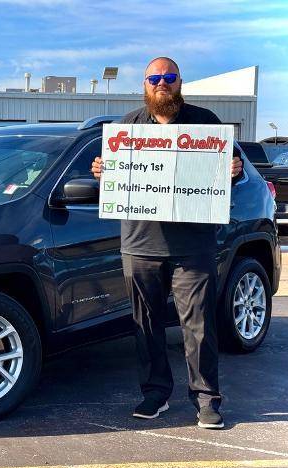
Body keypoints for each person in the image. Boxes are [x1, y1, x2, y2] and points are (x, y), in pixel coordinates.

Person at [91, 57, 243, 429]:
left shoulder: (206, 122)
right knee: (145, 324)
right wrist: (101, 173)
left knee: (200, 326)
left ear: (179, 82)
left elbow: (228, 172)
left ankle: (206, 399)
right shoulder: (127, 127)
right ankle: (155, 393)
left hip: (193, 246)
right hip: (140, 245)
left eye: (169, 77)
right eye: (155, 78)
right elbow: (115, 181)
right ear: (144, 84)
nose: (162, 83)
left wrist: (233, 172)